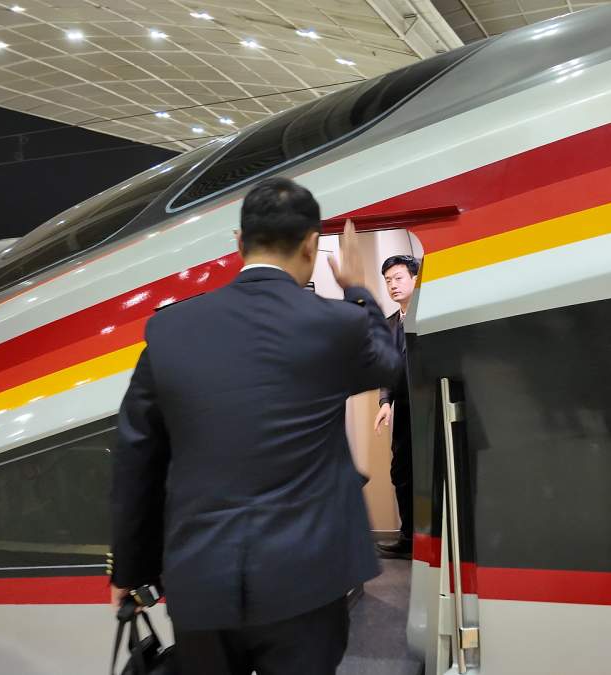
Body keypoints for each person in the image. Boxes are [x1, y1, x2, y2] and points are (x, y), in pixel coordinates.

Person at [109, 177, 404, 675]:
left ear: (239, 243)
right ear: (311, 246)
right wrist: (358, 290)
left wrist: (131, 571)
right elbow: (389, 365)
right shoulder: (337, 324)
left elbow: (137, 458)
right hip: (308, 580)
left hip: (200, 578)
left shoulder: (169, 329)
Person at [374, 255, 419, 558]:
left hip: (432, 406)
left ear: (415, 279)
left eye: (399, 278)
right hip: (403, 410)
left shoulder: (430, 316)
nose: (393, 285)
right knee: (401, 472)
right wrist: (385, 402)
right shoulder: (390, 324)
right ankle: (409, 539)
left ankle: (436, 541)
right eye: (388, 280)